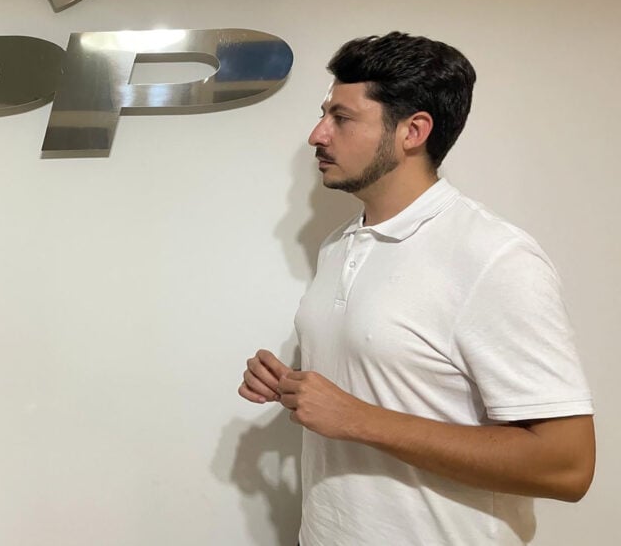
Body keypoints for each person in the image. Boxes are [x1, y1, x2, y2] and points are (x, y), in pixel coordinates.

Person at [239, 32, 595, 545]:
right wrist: (291, 384)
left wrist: (358, 419)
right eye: (323, 114)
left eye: (342, 117)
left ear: (413, 131)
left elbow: (567, 466)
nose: (317, 134)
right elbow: (388, 384)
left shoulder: (495, 257)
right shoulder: (338, 245)